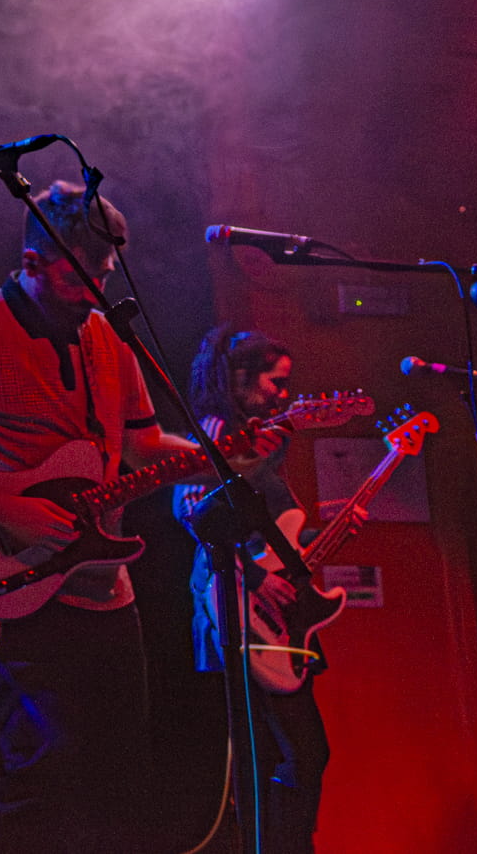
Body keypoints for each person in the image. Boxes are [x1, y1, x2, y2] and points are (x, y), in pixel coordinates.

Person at [0, 180, 283, 854]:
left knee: (117, 768)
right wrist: (9, 509)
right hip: (14, 574)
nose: (94, 291)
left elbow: (143, 448)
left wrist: (228, 459)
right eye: (78, 276)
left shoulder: (108, 338)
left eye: (104, 274)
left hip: (103, 584)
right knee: (45, 768)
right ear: (32, 263)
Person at [174, 327, 332, 854]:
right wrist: (258, 577)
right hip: (239, 604)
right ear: (239, 378)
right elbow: (193, 511)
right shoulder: (219, 432)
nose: (284, 394)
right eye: (275, 382)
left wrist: (327, 530)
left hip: (268, 606)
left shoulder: (264, 440)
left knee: (283, 752)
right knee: (294, 751)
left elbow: (268, 529)